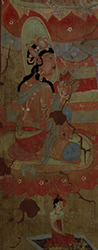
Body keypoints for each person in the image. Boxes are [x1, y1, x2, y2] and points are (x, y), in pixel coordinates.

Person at [9, 35, 80, 164]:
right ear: (39, 62)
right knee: (74, 151)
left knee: (65, 114)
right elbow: (49, 116)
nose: (54, 62)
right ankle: (43, 149)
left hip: (20, 137)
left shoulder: (24, 84)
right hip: (35, 138)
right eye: (49, 58)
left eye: (53, 58)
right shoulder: (45, 87)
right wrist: (63, 95)